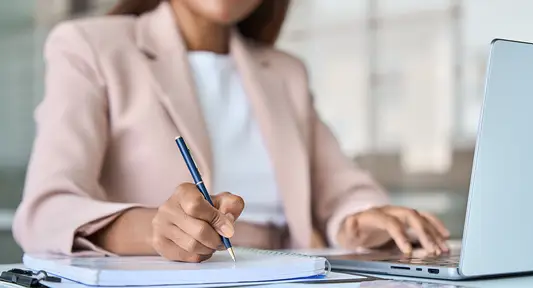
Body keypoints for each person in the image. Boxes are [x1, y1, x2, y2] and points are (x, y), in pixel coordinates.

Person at [13, 0, 450, 262]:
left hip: (288, 272)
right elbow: (46, 211)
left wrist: (362, 217)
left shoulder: (284, 72)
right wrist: (152, 230)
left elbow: (343, 190)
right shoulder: (90, 46)